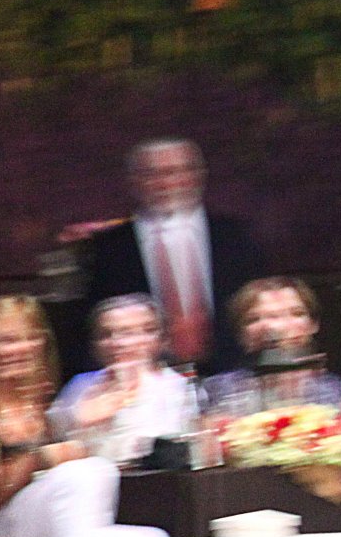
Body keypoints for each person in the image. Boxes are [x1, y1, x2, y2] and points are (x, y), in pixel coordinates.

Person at [0, 297, 168, 537]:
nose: (12, 350)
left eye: (24, 338)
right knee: (84, 474)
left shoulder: (41, 403)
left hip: (38, 529)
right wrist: (41, 458)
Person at [81, 137, 268, 373]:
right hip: (145, 381)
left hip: (236, 374)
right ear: (134, 182)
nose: (165, 183)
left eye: (175, 172)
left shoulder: (236, 236)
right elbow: (92, 326)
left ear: (198, 175)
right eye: (152, 174)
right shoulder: (109, 248)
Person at [50, 295, 200, 466]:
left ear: (154, 338)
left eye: (127, 333)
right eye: (106, 334)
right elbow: (51, 438)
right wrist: (76, 420)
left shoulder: (178, 387)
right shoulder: (80, 385)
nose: (116, 343)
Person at [204, 277, 341, 419]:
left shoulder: (337, 394)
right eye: (255, 319)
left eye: (296, 313)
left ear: (313, 325)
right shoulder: (215, 393)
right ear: (241, 333)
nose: (275, 327)